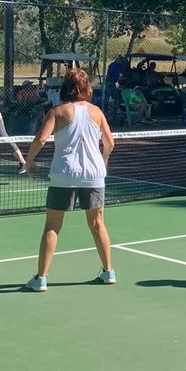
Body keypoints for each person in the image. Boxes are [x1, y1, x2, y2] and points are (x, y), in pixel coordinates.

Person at [22, 68, 117, 292]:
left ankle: (41, 279)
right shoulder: (97, 112)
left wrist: (29, 161)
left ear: (65, 87)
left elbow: (41, 139)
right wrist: (102, 162)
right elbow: (110, 143)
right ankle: (108, 271)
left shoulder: (57, 111)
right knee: (97, 224)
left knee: (52, 226)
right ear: (86, 88)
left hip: (63, 174)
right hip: (93, 176)